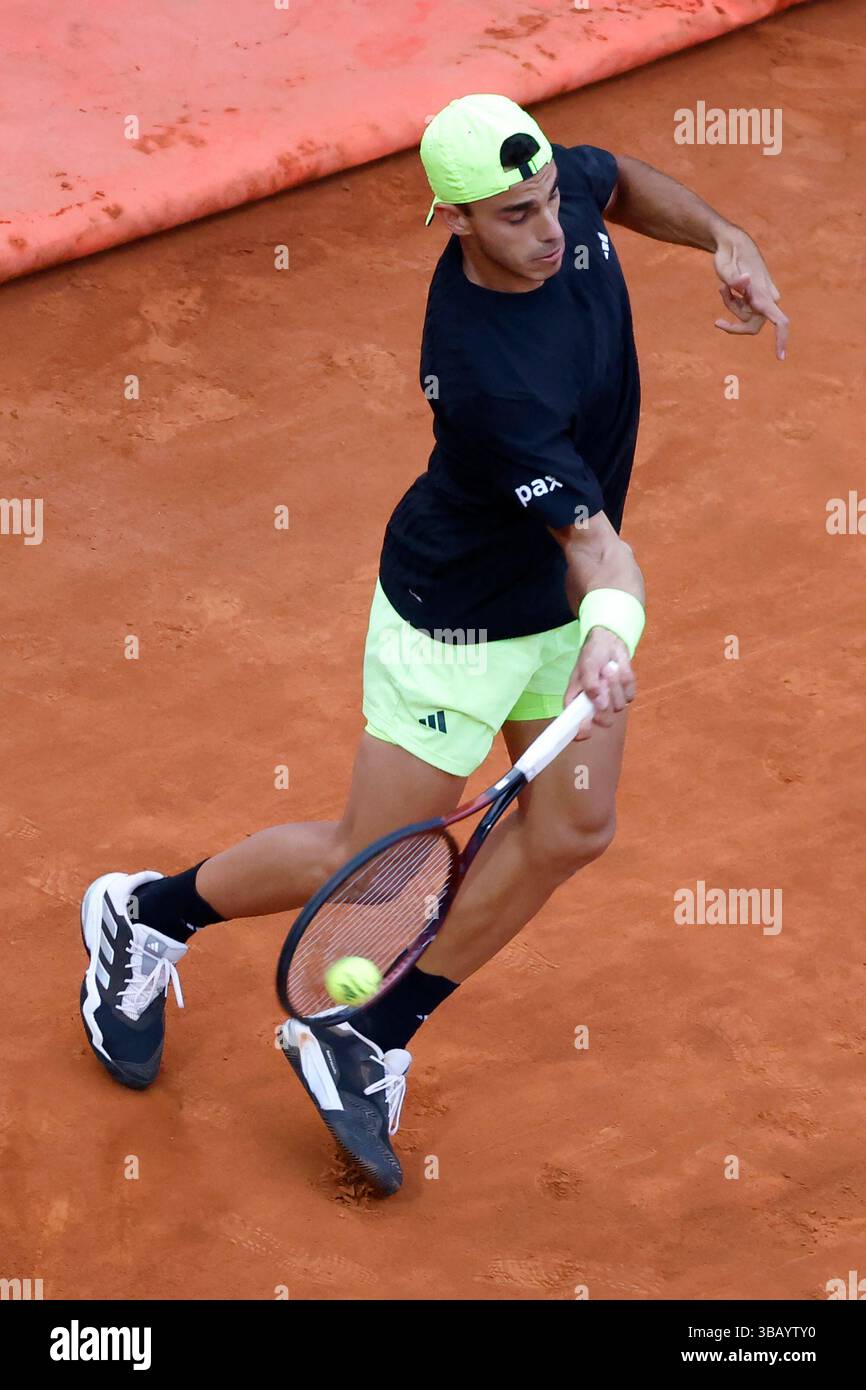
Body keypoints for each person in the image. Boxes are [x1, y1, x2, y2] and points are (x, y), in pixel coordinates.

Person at [79, 93, 788, 1196]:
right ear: (452, 219)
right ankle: (142, 915)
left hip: (558, 611)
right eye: (515, 216)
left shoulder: (565, 195)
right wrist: (607, 635)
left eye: (549, 200)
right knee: (370, 865)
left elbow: (620, 180)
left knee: (571, 824)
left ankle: (365, 1033)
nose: (550, 230)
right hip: (455, 619)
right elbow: (597, 553)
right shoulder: (484, 373)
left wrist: (722, 237)